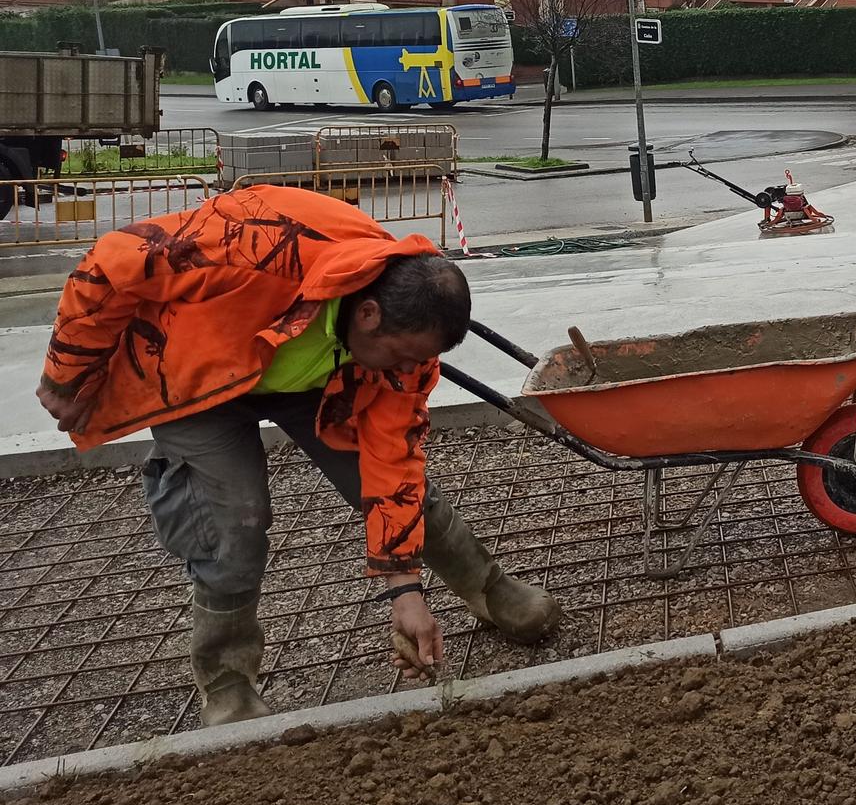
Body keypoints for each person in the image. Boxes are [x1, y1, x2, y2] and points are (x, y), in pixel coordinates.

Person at [36, 184, 560, 726]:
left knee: (407, 493)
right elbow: (110, 263)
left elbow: (393, 466)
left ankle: (488, 589)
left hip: (320, 379)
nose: (408, 368)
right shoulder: (259, 245)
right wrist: (67, 369)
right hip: (201, 377)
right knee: (234, 522)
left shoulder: (402, 354)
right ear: (370, 314)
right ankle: (226, 682)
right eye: (403, 355)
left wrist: (404, 591)